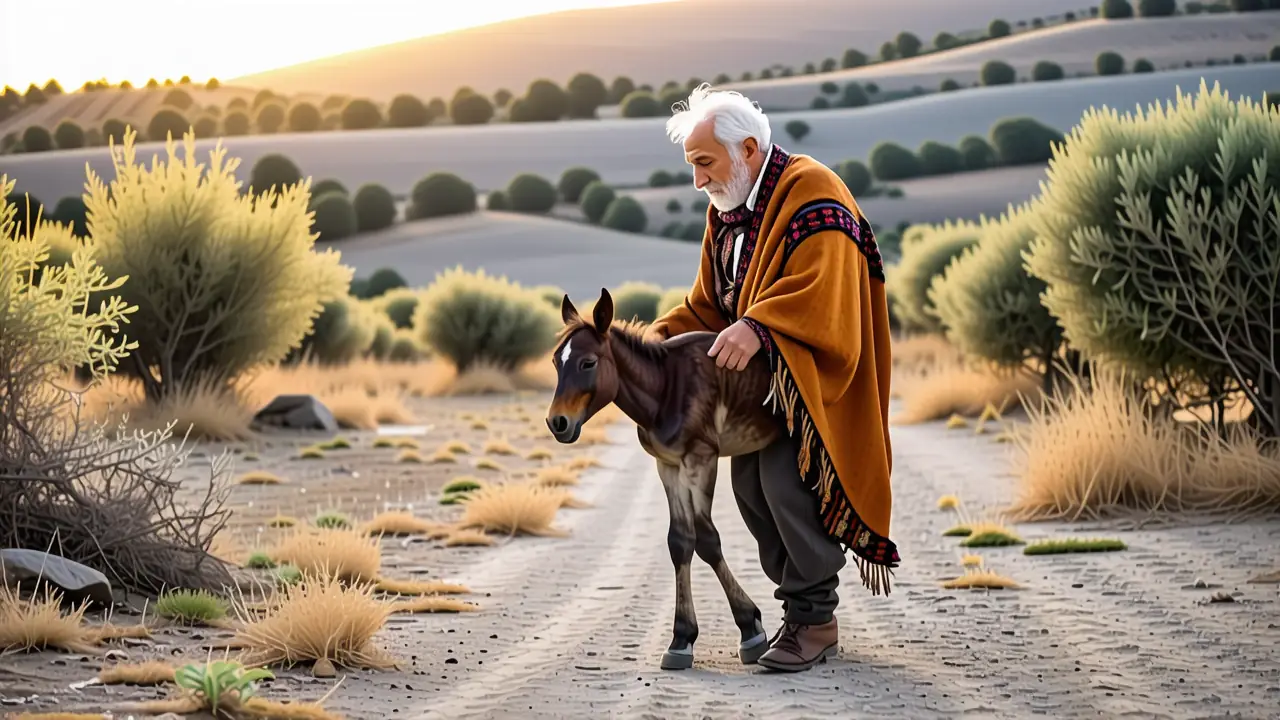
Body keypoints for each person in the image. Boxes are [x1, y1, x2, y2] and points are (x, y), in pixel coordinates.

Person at [647, 84, 899, 673]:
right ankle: (801, 614)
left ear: (748, 150)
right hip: (762, 390)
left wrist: (759, 325)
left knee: (786, 485)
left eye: (704, 163)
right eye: (692, 166)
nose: (698, 181)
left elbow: (824, 292)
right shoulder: (726, 211)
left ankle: (815, 621)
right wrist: (653, 342)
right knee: (751, 490)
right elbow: (710, 306)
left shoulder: (813, 190)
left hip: (814, 382)